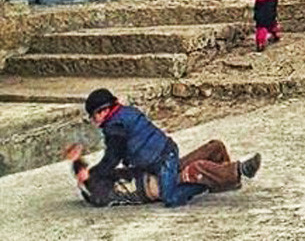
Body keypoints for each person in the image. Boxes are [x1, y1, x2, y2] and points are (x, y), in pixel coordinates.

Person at [82, 88, 206, 208]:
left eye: (93, 116)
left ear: (104, 111)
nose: (93, 121)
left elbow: (113, 156)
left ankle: (205, 183)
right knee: (168, 178)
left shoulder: (115, 127)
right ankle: (186, 174)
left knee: (170, 197)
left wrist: (94, 174)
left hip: (164, 159)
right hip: (159, 155)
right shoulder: (126, 112)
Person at [66, 140, 261, 207]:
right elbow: (88, 183)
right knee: (197, 168)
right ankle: (238, 171)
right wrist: (76, 165)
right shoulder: (99, 194)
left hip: (158, 169)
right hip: (155, 187)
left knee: (214, 147)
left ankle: (223, 180)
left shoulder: (100, 177)